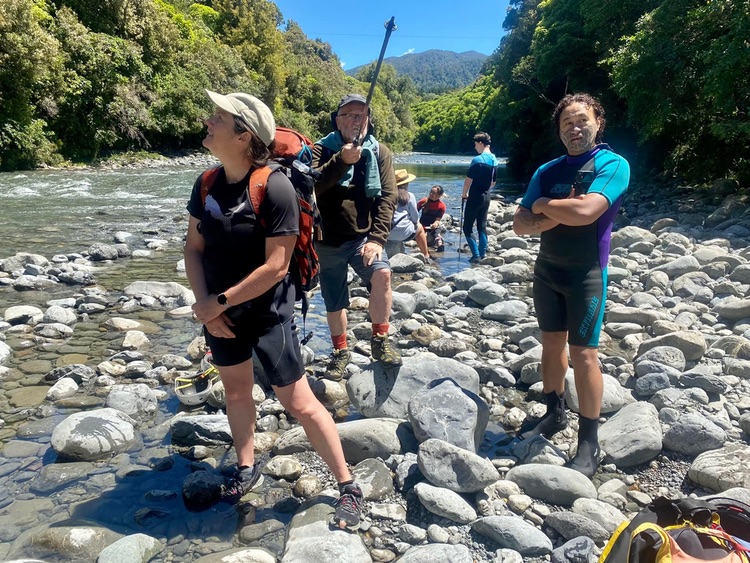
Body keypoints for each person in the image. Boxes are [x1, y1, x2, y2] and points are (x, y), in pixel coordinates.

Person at [184, 89, 363, 529]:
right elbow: (193, 248)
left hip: (266, 315)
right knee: (238, 391)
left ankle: (347, 486)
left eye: (218, 118)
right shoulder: (205, 183)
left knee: (299, 402)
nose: (209, 122)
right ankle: (246, 469)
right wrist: (206, 305)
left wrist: (216, 304)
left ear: (243, 134)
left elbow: (277, 266)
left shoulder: (275, 185)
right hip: (219, 312)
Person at [512, 93, 630, 478]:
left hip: (586, 274)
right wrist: (552, 207)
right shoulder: (547, 170)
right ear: (559, 130)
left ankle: (589, 441)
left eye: (582, 120)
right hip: (548, 271)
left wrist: (543, 205)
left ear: (598, 122)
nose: (575, 128)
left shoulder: (612, 164)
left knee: (584, 356)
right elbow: (519, 224)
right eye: (567, 123)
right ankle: (554, 412)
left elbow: (587, 211)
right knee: (550, 345)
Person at [312, 93, 402, 382]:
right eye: (349, 115)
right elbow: (310, 188)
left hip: (364, 237)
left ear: (369, 121)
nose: (356, 120)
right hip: (326, 239)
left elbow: (388, 197)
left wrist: (377, 239)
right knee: (334, 299)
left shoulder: (380, 152)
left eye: (361, 115)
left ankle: (380, 339)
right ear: (337, 120)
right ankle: (340, 351)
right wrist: (341, 161)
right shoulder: (320, 150)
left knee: (383, 274)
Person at [462, 132, 497, 263]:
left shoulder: (477, 160)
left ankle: (475, 255)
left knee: (467, 227)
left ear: (481, 143)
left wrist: (464, 194)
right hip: (487, 196)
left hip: (475, 196)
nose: (475, 147)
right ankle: (482, 254)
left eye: (476, 144)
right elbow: (493, 182)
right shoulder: (494, 159)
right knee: (481, 226)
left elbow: (468, 181)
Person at [385, 169, 432, 260]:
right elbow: (415, 218)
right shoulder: (409, 196)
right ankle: (426, 255)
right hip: (404, 233)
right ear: (406, 184)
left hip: (386, 232)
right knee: (420, 228)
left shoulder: (386, 195)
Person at [417, 185, 446, 252]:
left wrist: (435, 224)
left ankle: (440, 246)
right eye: (431, 192)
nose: (431, 194)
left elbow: (437, 220)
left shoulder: (441, 206)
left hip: (433, 225)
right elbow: (414, 212)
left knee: (436, 233)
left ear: (440, 195)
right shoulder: (423, 201)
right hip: (422, 224)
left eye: (434, 193)